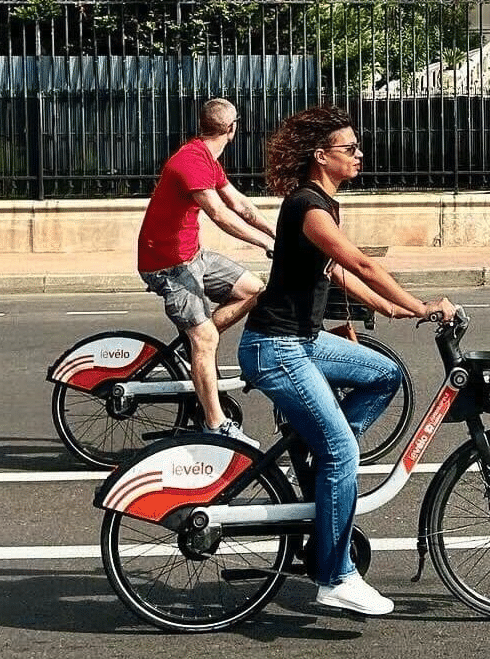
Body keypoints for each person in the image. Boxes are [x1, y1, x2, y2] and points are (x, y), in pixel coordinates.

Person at [238, 105, 455, 616]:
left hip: (303, 341)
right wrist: (421, 303)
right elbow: (359, 261)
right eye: (350, 148)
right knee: (341, 453)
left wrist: (392, 308)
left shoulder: (322, 205)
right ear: (321, 156)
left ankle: (326, 452)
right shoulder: (310, 207)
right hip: (277, 347)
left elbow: (337, 273)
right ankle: (336, 576)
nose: (360, 154)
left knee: (384, 373)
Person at [137, 98, 275, 447]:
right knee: (207, 340)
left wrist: (277, 234)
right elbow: (220, 214)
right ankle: (216, 425)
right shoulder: (190, 162)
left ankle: (192, 345)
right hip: (167, 264)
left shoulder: (206, 158)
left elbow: (239, 203)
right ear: (232, 128)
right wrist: (263, 243)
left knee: (253, 289)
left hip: (193, 255)